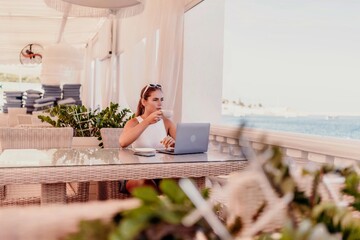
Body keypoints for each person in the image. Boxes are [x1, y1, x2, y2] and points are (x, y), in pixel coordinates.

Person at [119, 83, 176, 193]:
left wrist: (174, 144)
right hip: (136, 174)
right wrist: (147, 121)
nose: (160, 104)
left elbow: (184, 146)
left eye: (162, 99)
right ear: (144, 102)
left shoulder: (167, 123)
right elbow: (122, 142)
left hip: (161, 173)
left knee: (181, 181)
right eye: (155, 99)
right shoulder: (134, 122)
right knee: (146, 184)